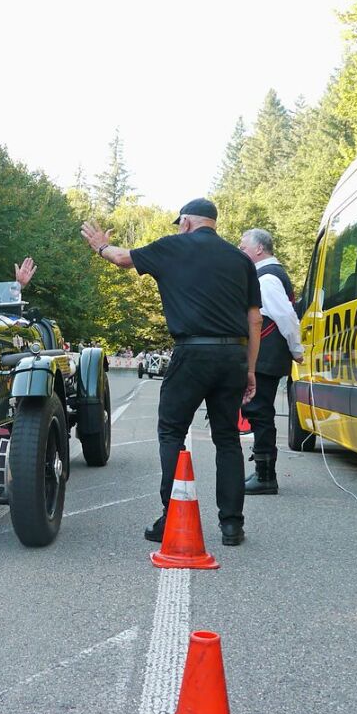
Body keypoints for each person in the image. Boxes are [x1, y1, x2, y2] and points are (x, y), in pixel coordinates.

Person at [82, 197, 262, 546]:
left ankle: (172, 515)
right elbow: (254, 319)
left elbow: (121, 258)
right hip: (233, 355)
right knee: (227, 438)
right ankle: (231, 525)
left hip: (192, 353)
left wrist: (100, 245)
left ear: (186, 222)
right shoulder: (241, 260)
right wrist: (250, 369)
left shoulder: (172, 247)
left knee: (171, 432)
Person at [238, 229, 303, 495]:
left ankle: (266, 476)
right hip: (268, 352)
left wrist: (296, 348)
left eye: (243, 247)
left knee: (260, 411)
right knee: (259, 410)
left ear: (259, 249)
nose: (240, 250)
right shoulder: (269, 275)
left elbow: (287, 317)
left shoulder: (266, 278)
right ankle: (263, 471)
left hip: (266, 353)